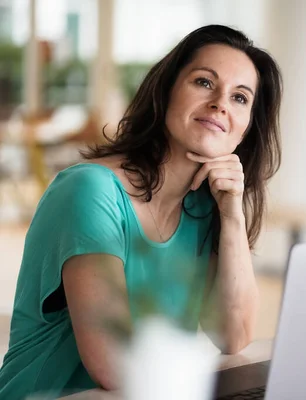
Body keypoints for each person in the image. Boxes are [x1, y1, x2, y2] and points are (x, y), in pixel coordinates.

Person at [0, 24, 282, 398]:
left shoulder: (206, 207)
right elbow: (114, 364)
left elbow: (232, 336)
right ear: (165, 91)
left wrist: (232, 214)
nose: (221, 104)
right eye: (204, 82)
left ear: (245, 130)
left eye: (240, 98)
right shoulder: (90, 190)